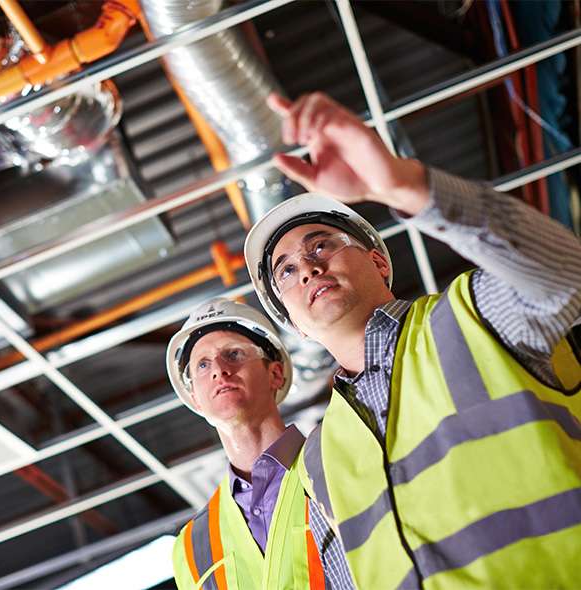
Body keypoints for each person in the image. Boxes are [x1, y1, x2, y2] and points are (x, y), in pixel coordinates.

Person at [242, 91, 581, 589]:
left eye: (322, 245)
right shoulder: (317, 459)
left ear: (379, 262)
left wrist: (404, 187)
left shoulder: (471, 317)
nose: (308, 267)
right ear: (292, 322)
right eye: (286, 271)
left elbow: (565, 276)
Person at [167, 297, 355, 589]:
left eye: (233, 354)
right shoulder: (191, 547)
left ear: (275, 374)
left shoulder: (341, 459)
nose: (218, 369)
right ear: (195, 400)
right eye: (202, 365)